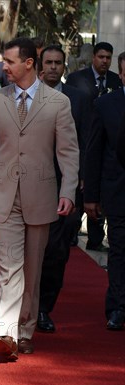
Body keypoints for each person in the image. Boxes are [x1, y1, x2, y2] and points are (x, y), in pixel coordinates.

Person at [0, 38, 79, 361]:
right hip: (2, 195)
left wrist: (68, 191)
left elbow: (68, 152)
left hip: (42, 196)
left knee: (33, 270)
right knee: (9, 268)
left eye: (9, 61)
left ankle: (25, 330)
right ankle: (6, 332)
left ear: (29, 63)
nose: (3, 66)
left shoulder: (58, 103)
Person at [37, 45, 90, 333]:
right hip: (31, 184)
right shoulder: (27, 96)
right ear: (40, 65)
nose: (54, 67)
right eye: (49, 62)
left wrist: (80, 179)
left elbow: (86, 141)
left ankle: (44, 307)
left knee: (56, 251)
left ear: (64, 65)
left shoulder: (79, 100)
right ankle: (21, 305)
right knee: (28, 250)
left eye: (59, 62)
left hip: (65, 186)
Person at [67, 42, 122, 252]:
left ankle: (96, 238)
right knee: (80, 191)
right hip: (81, 137)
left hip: (105, 141)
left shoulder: (116, 81)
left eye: (108, 58)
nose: (104, 61)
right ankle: (71, 231)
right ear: (93, 57)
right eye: (101, 57)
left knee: (97, 192)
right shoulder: (77, 79)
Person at [84, 51, 125, 331]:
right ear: (121, 74)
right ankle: (118, 307)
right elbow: (94, 152)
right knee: (120, 250)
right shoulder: (105, 104)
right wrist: (91, 197)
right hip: (118, 191)